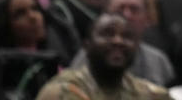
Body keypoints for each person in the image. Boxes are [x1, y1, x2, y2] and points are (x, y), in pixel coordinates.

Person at [35, 12, 170, 100]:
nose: (118, 41)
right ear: (87, 46)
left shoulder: (151, 94)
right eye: (107, 34)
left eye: (127, 36)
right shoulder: (62, 90)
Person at [70, 0, 175, 86]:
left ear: (147, 19)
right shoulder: (90, 55)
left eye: (134, 10)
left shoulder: (159, 61)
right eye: (120, 9)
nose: (126, 15)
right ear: (105, 15)